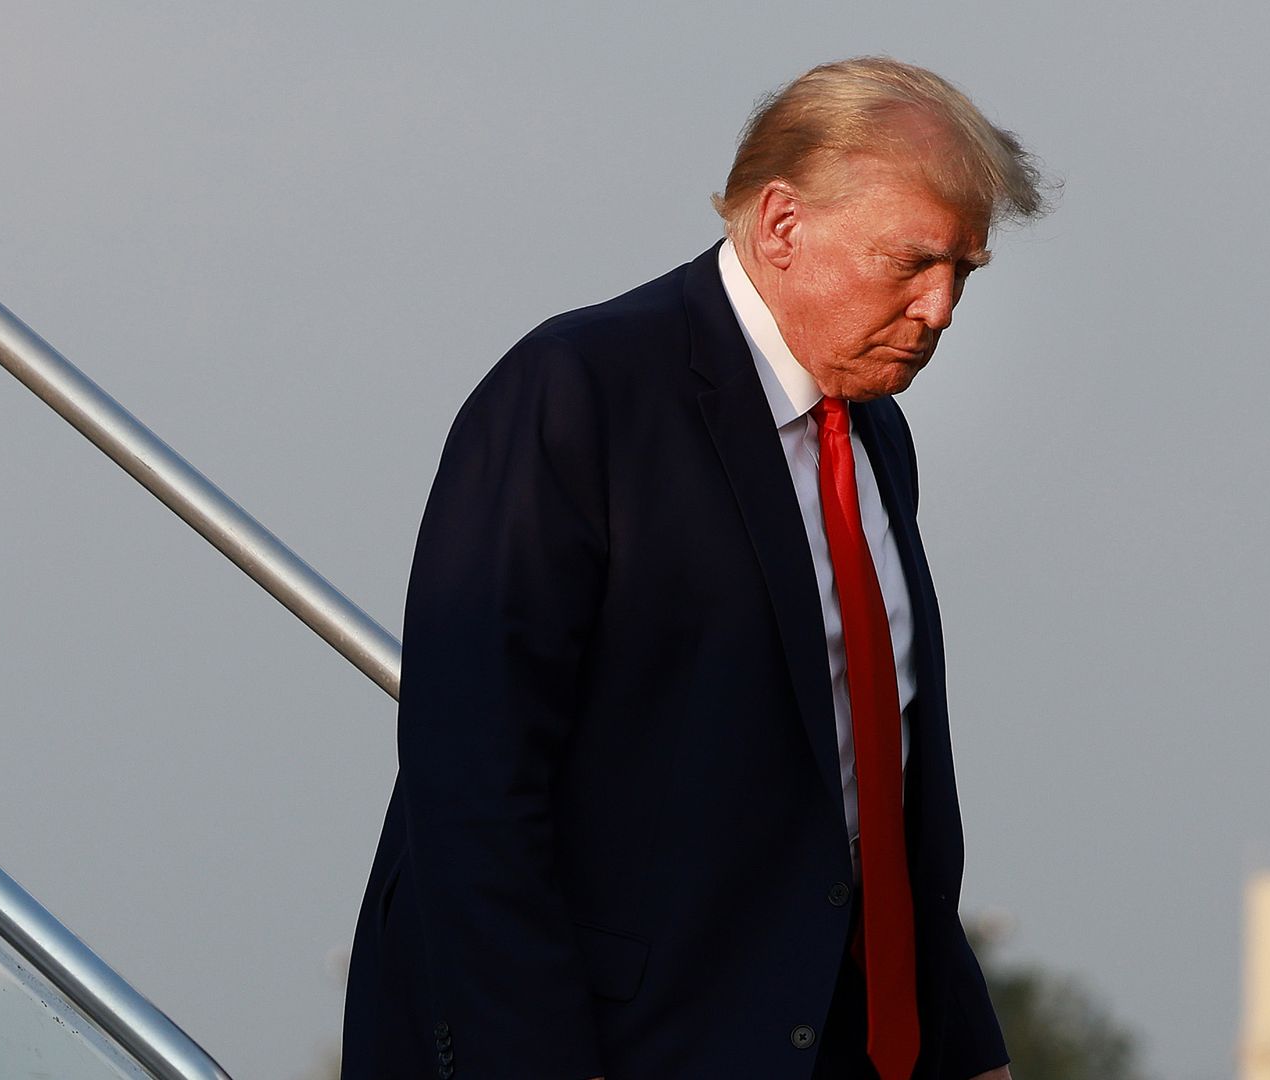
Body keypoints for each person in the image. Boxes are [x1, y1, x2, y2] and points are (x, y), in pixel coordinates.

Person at [341, 56, 1050, 1080]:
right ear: (781, 226)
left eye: (965, 273)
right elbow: (473, 785)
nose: (942, 308)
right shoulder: (578, 394)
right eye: (913, 263)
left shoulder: (874, 439)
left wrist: (965, 1048)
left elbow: (876, 794)